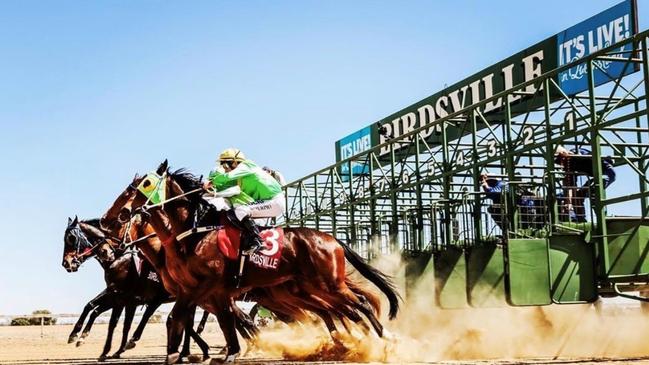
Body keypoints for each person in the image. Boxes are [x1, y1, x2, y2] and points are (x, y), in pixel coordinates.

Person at [203, 148, 285, 255]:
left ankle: (257, 241)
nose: (225, 168)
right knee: (234, 213)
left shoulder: (246, 166)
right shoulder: (240, 177)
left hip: (274, 202)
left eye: (225, 165)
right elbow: (226, 186)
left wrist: (211, 182)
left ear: (235, 162)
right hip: (269, 202)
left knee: (239, 211)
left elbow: (227, 177)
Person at [555, 146, 616, 222]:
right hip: (595, 175)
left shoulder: (576, 153)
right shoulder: (568, 165)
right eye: (558, 162)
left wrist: (608, 160)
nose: (560, 163)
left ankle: (602, 219)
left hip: (605, 172)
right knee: (578, 195)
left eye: (559, 159)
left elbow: (593, 156)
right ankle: (581, 219)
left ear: (563, 153)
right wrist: (569, 202)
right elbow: (570, 184)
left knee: (594, 191)